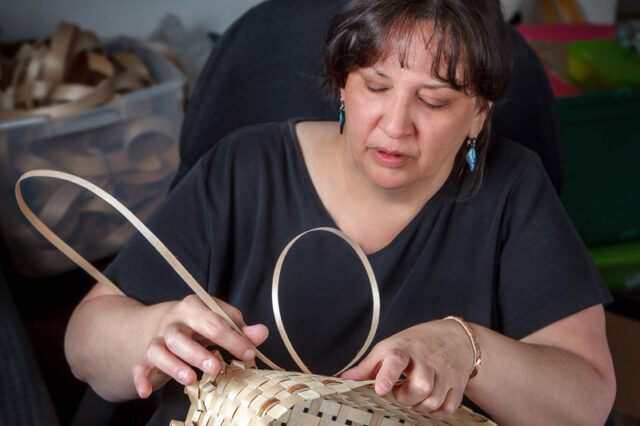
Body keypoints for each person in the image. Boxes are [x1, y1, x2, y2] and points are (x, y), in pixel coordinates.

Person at [64, 0, 616, 424]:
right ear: (341, 85)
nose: (396, 126)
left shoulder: (512, 188)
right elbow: (84, 344)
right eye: (377, 86)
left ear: (479, 114)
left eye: (435, 100)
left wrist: (468, 348)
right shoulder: (244, 167)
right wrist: (152, 331)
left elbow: (586, 403)